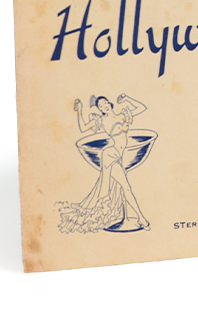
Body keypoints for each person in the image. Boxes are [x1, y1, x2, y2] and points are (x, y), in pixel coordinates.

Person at [58, 94, 151, 232]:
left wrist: (126, 99)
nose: (104, 106)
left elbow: (142, 107)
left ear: (110, 103)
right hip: (109, 155)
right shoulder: (101, 120)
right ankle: (141, 218)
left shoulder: (122, 115)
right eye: (101, 106)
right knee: (126, 188)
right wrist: (80, 111)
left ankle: (131, 218)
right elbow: (83, 128)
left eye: (105, 103)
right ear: (100, 110)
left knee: (123, 188)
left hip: (119, 155)